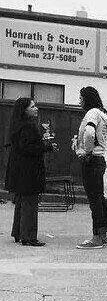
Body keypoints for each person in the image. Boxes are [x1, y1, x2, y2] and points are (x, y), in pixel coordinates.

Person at [5, 98, 55, 246]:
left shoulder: (16, 125)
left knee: (21, 201)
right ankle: (28, 237)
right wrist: (47, 147)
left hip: (18, 169)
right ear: (25, 110)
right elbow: (29, 148)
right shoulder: (29, 126)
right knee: (30, 203)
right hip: (29, 170)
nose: (36, 108)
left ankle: (18, 232)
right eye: (32, 106)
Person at [75, 86, 107, 249]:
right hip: (100, 159)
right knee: (99, 198)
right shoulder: (102, 114)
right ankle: (102, 234)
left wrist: (87, 151)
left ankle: (96, 238)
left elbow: (90, 133)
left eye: (81, 98)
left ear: (87, 99)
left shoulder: (91, 113)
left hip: (92, 160)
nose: (80, 101)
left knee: (94, 201)